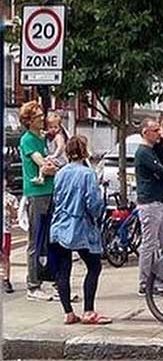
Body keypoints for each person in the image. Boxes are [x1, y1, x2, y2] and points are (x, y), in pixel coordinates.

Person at [49, 135, 111, 325]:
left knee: (63, 270)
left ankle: (68, 312)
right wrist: (99, 210)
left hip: (60, 225)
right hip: (81, 227)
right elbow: (93, 203)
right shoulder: (88, 174)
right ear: (84, 151)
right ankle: (89, 311)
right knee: (94, 266)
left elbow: (57, 198)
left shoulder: (60, 173)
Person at [19, 100, 57, 301]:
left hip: (48, 191)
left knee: (48, 240)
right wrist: (50, 167)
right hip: (36, 193)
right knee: (36, 241)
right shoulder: (27, 140)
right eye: (38, 116)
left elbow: (49, 165)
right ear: (29, 120)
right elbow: (43, 164)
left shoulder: (40, 138)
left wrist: (51, 167)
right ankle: (33, 286)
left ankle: (48, 279)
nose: (43, 118)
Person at [135, 117, 163, 295]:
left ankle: (162, 276)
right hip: (149, 203)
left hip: (159, 201)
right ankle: (145, 282)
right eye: (155, 130)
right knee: (149, 244)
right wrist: (162, 173)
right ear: (145, 132)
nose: (159, 133)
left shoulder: (152, 151)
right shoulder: (144, 153)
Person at [3, 174, 17, 293]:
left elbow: (14, 217)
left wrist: (10, 209)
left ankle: (6, 279)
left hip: (5, 230)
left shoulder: (10, 198)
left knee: (5, 256)